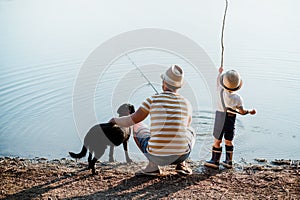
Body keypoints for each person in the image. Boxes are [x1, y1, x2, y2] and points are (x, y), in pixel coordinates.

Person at [109, 65, 195, 176]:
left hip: (157, 156)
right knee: (190, 130)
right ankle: (181, 165)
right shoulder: (186, 103)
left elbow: (132, 120)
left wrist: (114, 120)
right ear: (179, 86)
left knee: (137, 126)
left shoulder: (152, 99)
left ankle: (152, 167)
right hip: (181, 155)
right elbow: (186, 125)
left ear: (164, 83)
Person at [204, 66, 256, 169]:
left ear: (224, 82)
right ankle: (229, 161)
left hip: (220, 118)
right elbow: (242, 111)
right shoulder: (238, 98)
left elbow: (217, 82)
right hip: (230, 120)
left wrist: (220, 73)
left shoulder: (219, 91)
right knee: (229, 140)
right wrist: (250, 111)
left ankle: (215, 161)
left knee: (217, 141)